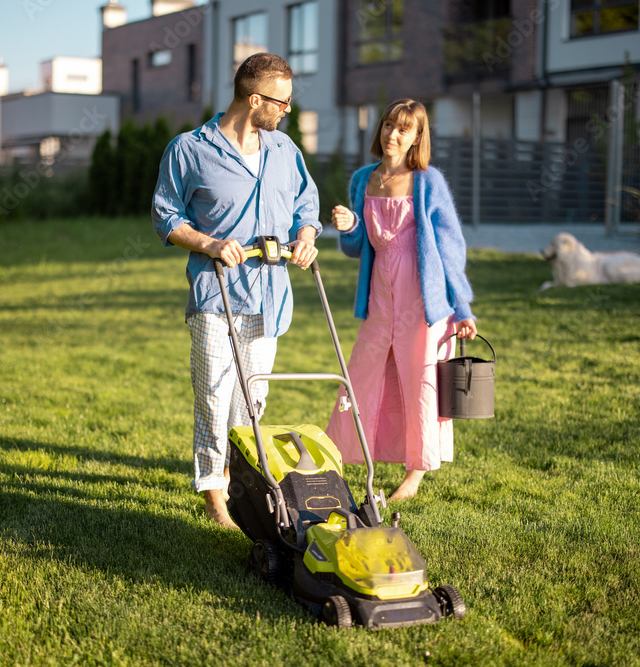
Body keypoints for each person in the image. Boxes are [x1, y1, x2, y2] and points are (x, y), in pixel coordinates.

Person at [152, 53, 321, 528]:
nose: (287, 110)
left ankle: (237, 479)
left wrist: (306, 238)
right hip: (216, 295)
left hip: (270, 299)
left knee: (250, 402)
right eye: (282, 102)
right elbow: (166, 216)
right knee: (212, 394)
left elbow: (306, 207)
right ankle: (213, 496)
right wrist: (210, 243)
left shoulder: (285, 151)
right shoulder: (189, 149)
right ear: (254, 99)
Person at [325, 98, 477, 502]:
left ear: (416, 138)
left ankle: (415, 473)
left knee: (420, 381)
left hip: (423, 302)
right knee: (359, 376)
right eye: (389, 124)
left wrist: (461, 307)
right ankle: (335, 453)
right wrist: (350, 224)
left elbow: (450, 249)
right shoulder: (363, 180)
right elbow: (358, 247)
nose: (393, 134)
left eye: (404, 129)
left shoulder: (429, 182)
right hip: (380, 299)